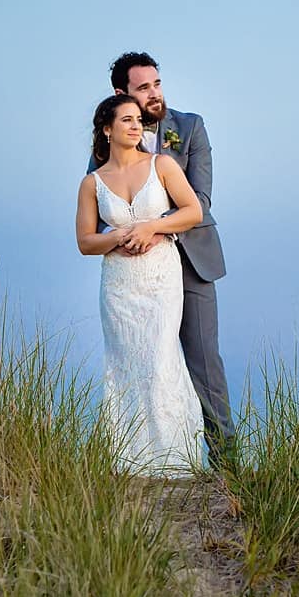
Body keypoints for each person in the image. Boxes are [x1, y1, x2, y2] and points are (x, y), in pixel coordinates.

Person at [86, 52, 237, 472]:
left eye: (157, 83)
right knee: (139, 361)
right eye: (143, 88)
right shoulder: (111, 141)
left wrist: (153, 227)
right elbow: (99, 203)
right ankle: (141, 464)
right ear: (121, 94)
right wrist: (122, 239)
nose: (155, 94)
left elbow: (200, 203)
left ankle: (225, 469)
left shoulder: (190, 128)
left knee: (204, 362)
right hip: (132, 276)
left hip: (192, 262)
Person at [76, 93, 204, 477]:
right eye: (127, 120)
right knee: (124, 364)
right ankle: (130, 464)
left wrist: (152, 226)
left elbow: (193, 211)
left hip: (160, 278)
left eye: (138, 120)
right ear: (107, 128)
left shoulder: (162, 165)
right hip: (119, 285)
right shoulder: (92, 183)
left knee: (162, 358)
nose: (136, 126)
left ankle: (176, 464)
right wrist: (118, 237)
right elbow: (85, 242)